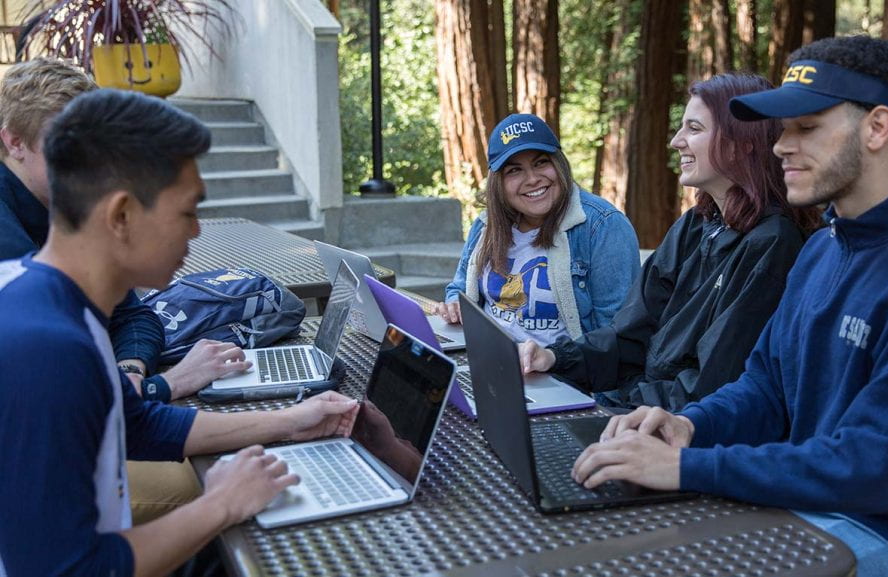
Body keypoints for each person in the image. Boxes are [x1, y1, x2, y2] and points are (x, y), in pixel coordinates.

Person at [570, 36, 888, 577]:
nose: (782, 145)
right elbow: (765, 386)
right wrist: (690, 426)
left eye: (806, 127)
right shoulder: (823, 250)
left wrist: (687, 466)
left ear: (877, 128)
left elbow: (869, 469)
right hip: (810, 505)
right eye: (782, 128)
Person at [0, 88, 363, 576]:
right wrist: (220, 504)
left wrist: (294, 419)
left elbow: (137, 424)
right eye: (188, 212)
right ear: (121, 215)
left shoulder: (56, 299)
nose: (196, 233)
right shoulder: (49, 349)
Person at [0, 57, 252, 524]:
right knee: (205, 488)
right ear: (14, 141)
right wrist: (163, 384)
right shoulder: (25, 292)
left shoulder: (57, 226)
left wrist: (130, 371)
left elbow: (133, 318)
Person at [519, 74, 819, 412]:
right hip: (636, 409)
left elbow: (710, 386)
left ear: (742, 142)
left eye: (693, 129)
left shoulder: (772, 244)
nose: (677, 141)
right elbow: (629, 336)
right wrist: (554, 358)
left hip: (673, 431)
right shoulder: (696, 224)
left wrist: (612, 417)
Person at [435, 113, 640, 346]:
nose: (532, 179)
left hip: (562, 375)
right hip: (488, 358)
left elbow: (616, 334)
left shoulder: (603, 226)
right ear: (498, 183)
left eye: (541, 162)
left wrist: (554, 361)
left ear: (559, 164)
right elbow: (459, 287)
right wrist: (453, 305)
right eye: (514, 170)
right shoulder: (486, 225)